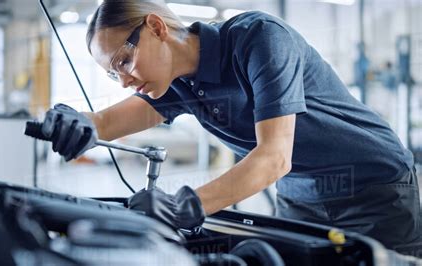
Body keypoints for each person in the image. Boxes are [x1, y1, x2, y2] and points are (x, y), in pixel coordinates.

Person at [40, 0, 419, 251]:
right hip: (299, 199)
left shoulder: (259, 39)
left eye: (124, 61)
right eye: (112, 75)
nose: (123, 80)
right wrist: (73, 121)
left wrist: (184, 205)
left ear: (155, 27)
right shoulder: (178, 84)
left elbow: (273, 157)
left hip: (373, 188)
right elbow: (103, 123)